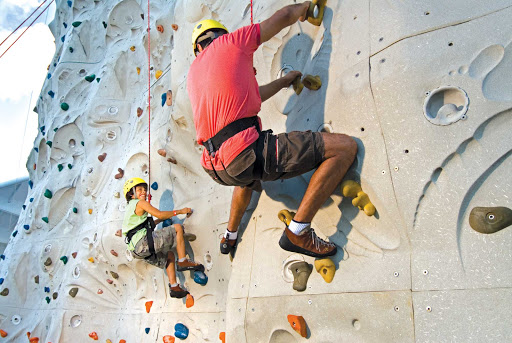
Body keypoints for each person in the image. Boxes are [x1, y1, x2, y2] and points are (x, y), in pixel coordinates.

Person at [187, 2, 357, 258]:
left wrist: (285, 81)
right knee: (344, 148)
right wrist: (307, 7)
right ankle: (298, 231)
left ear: (197, 48)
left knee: (243, 177)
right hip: (242, 155)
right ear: (220, 35)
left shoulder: (193, 74)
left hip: (215, 167)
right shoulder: (232, 42)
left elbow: (252, 97)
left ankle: (230, 236)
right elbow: (285, 16)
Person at [122, 177, 204, 299]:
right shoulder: (140, 203)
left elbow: (147, 225)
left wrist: (161, 219)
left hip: (136, 251)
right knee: (177, 228)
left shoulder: (130, 209)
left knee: (169, 257)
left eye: (145, 189)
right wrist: (179, 211)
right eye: (139, 189)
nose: (143, 192)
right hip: (143, 242)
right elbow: (159, 213)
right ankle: (182, 261)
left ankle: (174, 286)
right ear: (131, 193)